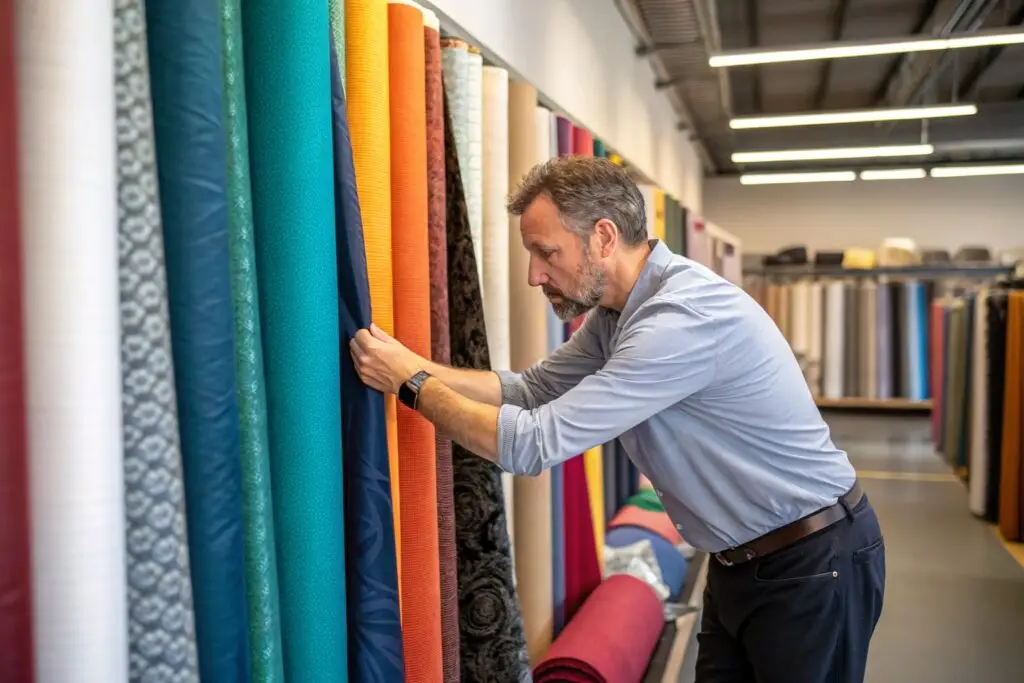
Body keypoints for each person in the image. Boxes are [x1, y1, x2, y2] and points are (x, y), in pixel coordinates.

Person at [350, 155, 885, 683]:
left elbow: (533, 444)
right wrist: (411, 362)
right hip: (741, 563)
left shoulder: (679, 319)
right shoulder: (617, 313)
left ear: (603, 237)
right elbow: (530, 389)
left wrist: (411, 387)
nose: (534, 275)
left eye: (546, 252)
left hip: (811, 562)